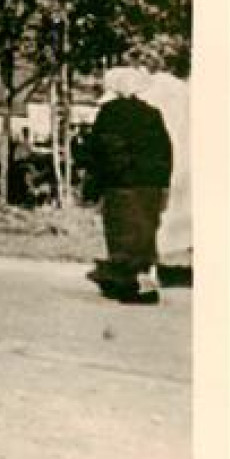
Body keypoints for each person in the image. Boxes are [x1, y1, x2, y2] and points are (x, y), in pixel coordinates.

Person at [85, 66, 174, 305]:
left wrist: (95, 186)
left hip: (121, 184)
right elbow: (165, 151)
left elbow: (99, 151)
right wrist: (163, 184)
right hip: (150, 186)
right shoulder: (152, 114)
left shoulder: (110, 113)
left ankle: (126, 284)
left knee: (121, 232)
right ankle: (143, 282)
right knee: (145, 233)